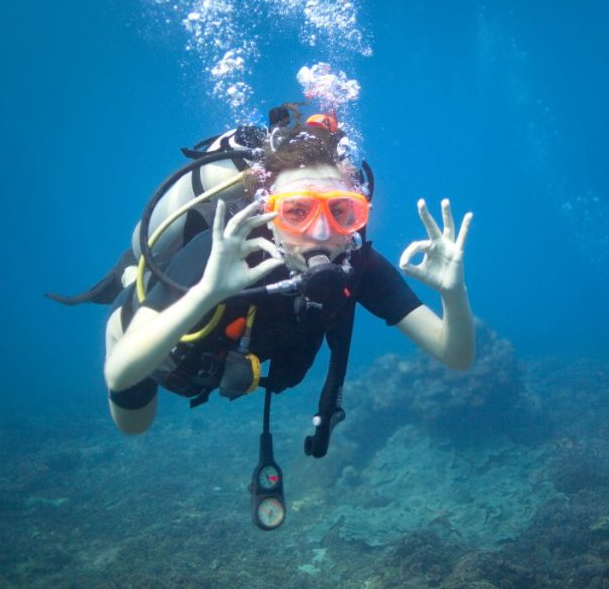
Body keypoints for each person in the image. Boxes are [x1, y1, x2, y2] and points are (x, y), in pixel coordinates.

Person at [52, 105, 474, 528]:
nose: (322, 232)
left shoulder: (358, 264)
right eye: (296, 211)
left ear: (358, 215)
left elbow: (455, 355)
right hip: (162, 349)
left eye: (342, 211)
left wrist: (453, 293)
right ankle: (134, 285)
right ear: (266, 213)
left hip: (233, 360)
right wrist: (207, 291)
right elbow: (121, 372)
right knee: (134, 427)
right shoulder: (223, 251)